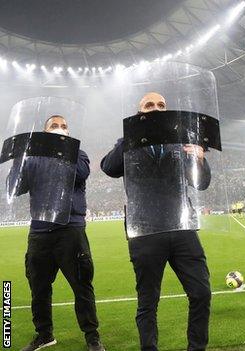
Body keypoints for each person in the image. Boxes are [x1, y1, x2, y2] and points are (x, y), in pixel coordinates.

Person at [100, 92, 212, 351]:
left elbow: (201, 183)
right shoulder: (129, 142)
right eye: (149, 105)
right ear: (140, 112)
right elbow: (109, 167)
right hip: (145, 231)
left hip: (181, 227)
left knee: (201, 293)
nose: (156, 108)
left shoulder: (179, 141)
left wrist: (200, 160)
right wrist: (131, 136)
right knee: (148, 302)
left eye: (161, 105)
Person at [17, 116, 105, 351]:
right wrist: (20, 161)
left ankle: (92, 337)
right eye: (54, 126)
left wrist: (63, 149)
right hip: (40, 231)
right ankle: (44, 335)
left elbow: (81, 174)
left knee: (82, 286)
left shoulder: (79, 153)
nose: (60, 129)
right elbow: (16, 188)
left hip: (70, 230)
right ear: (45, 134)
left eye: (64, 126)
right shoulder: (33, 158)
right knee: (39, 288)